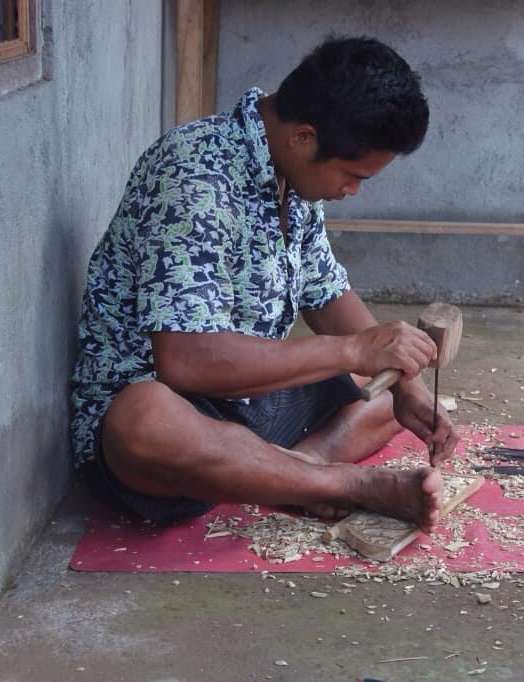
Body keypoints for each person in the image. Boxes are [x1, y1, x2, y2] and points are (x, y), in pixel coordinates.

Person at [70, 36, 457, 531]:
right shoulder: (193, 173)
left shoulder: (292, 174)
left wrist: (408, 383)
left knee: (384, 390)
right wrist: (353, 351)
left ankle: (294, 472)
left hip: (245, 401)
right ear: (303, 137)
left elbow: (326, 294)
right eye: (352, 175)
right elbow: (186, 363)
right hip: (169, 415)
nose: (352, 191)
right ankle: (344, 484)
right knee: (142, 420)